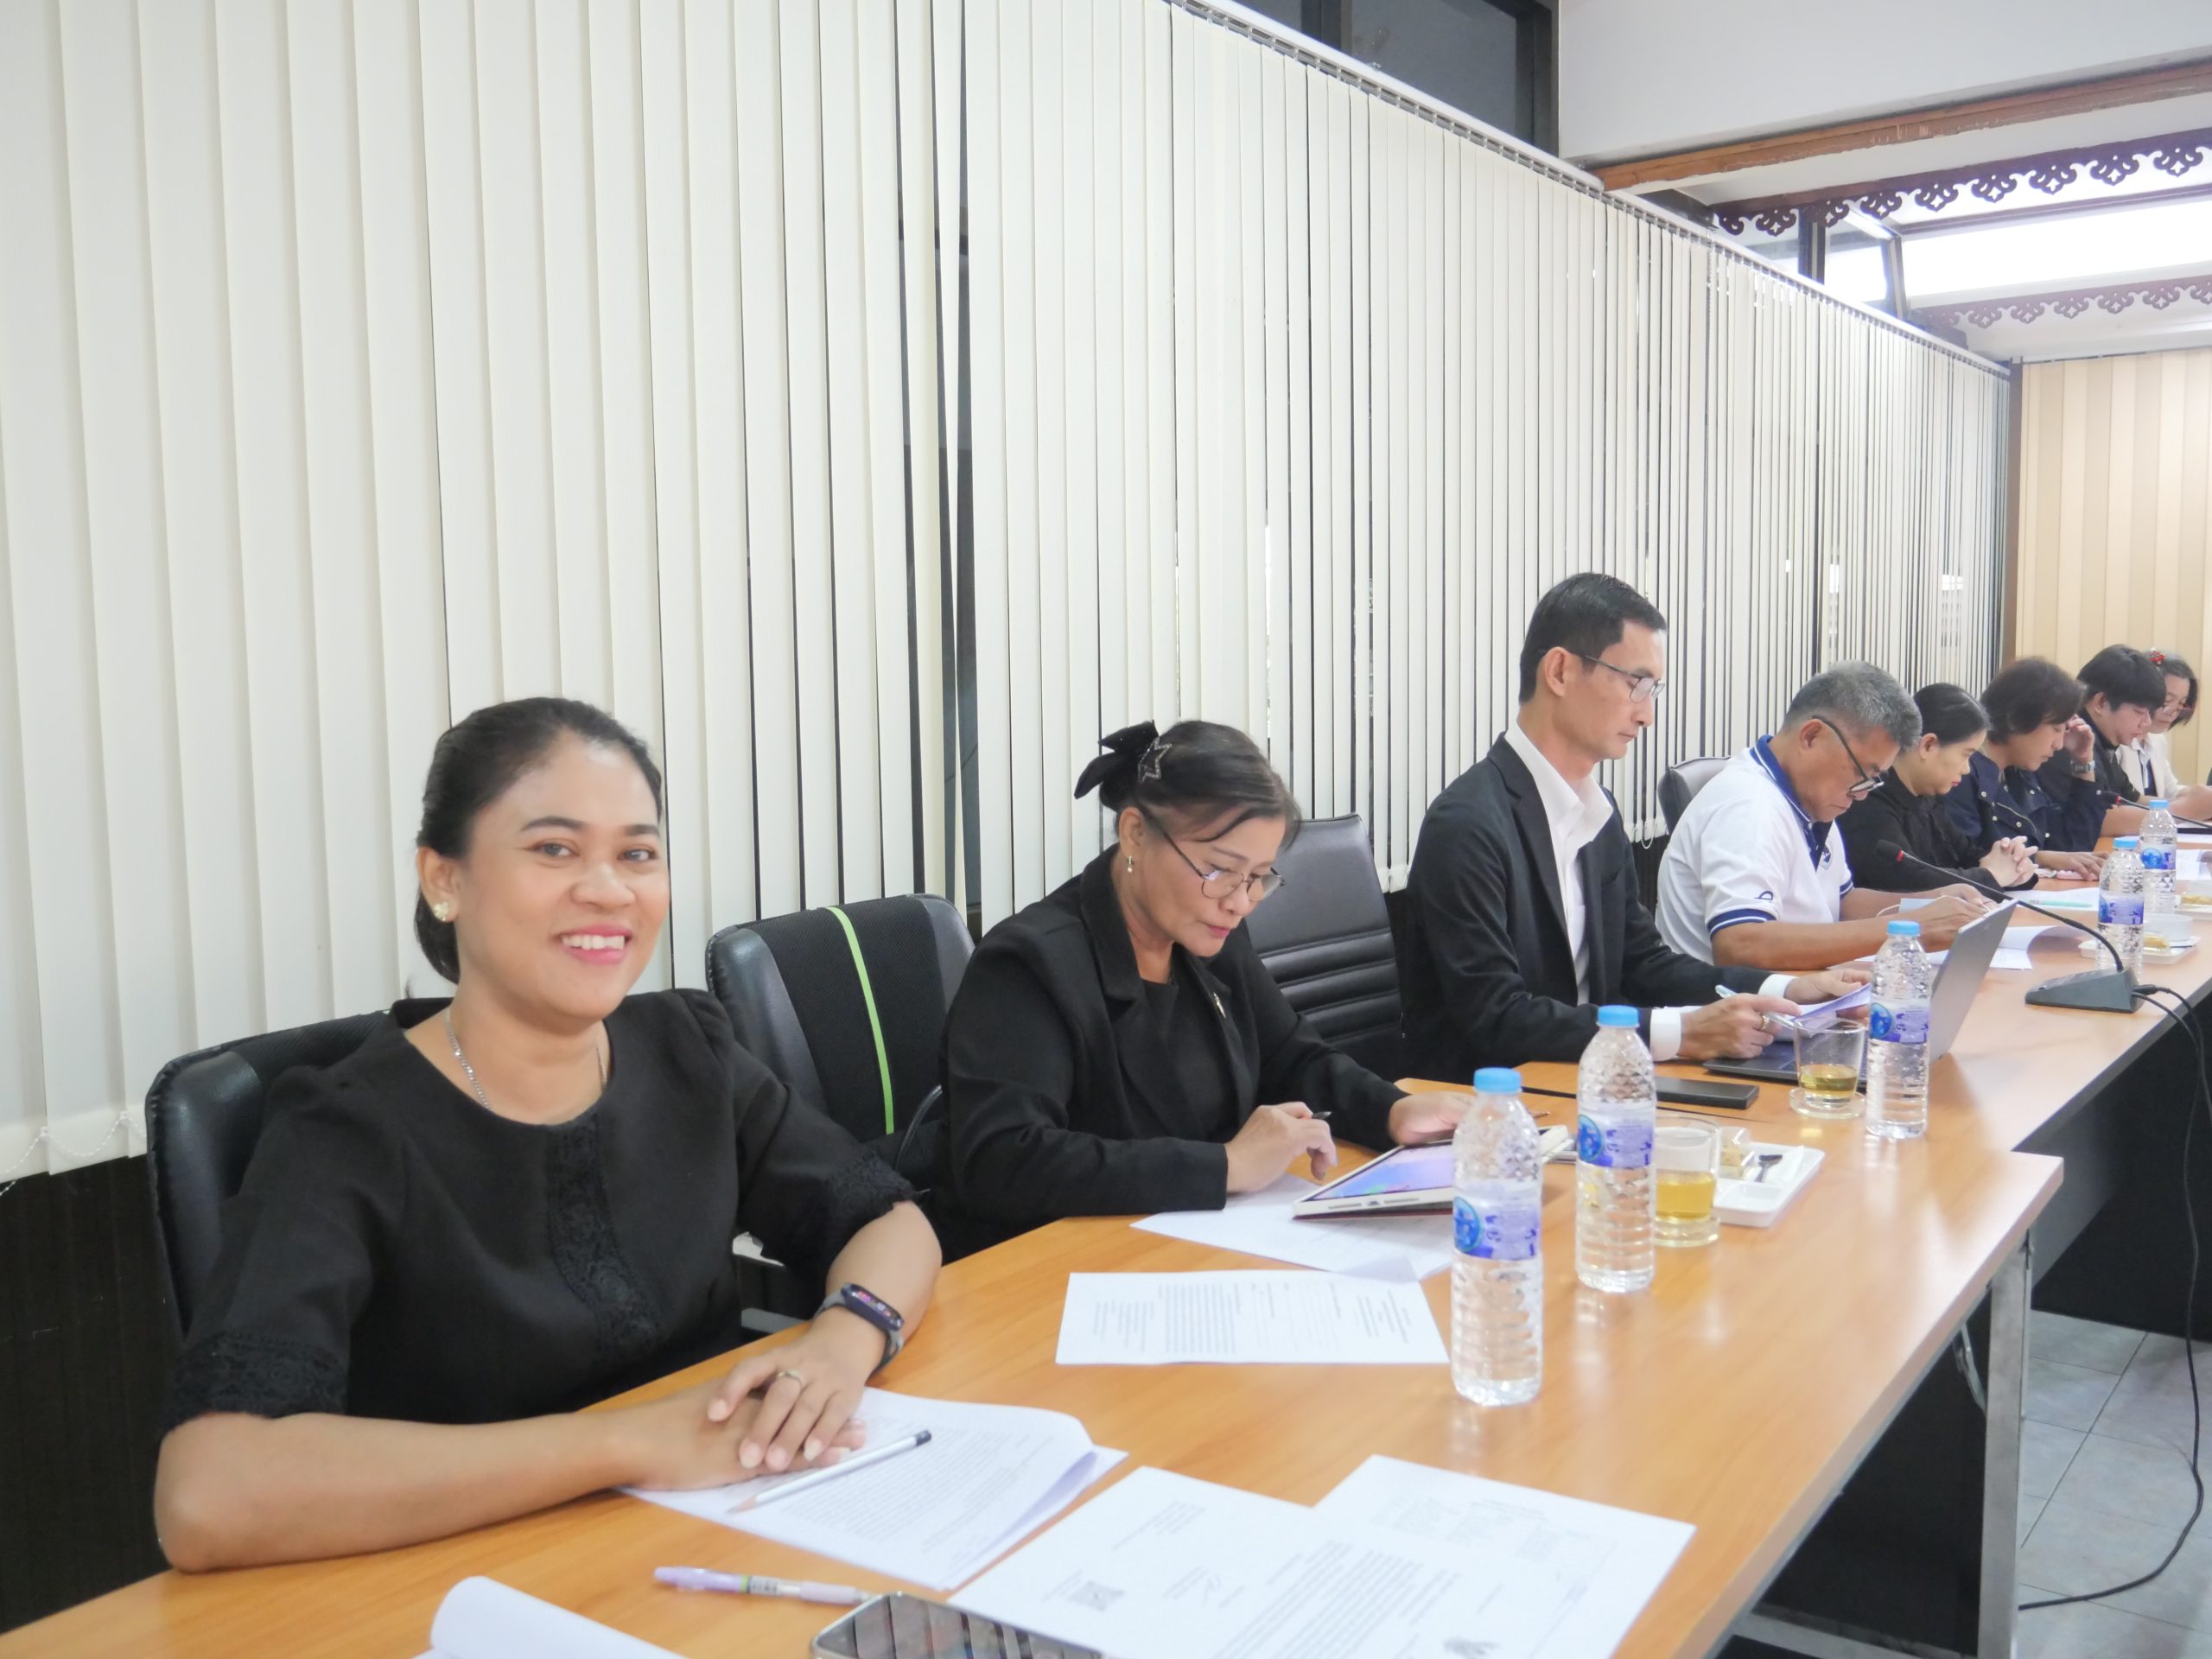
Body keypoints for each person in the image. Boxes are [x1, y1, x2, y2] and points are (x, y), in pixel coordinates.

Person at [154, 699, 939, 1570]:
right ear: (444, 879)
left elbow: (887, 1219)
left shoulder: (689, 1045)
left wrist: (843, 1340)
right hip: (474, 1575)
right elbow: (209, 1491)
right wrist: (628, 1444)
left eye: (637, 854)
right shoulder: (343, 1129)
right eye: (555, 849)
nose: (608, 889)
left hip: (730, 1526)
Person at [933, 720, 1471, 1260]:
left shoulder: (1206, 934)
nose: (1239, 902)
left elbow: (1291, 1055)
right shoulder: (1030, 964)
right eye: (1219, 871)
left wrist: (1391, 1111)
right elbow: (1003, 1160)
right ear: (1135, 833)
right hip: (1060, 1268)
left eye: (1258, 877)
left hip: (1196, 1245)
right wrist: (1226, 1166)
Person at [1397, 573, 1864, 1076]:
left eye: (1653, 689)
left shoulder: (1598, 811)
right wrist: (1682, 1033)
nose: (1647, 715)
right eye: (1636, 684)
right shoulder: (1467, 824)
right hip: (1492, 1096)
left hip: (1592, 1079)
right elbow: (1498, 1018)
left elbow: (1642, 963)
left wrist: (1787, 989)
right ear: (1559, 671)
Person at [1656, 664, 1987, 972]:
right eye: (1862, 774)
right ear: (1811, 736)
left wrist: (1933, 902)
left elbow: (1842, 904)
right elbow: (1740, 945)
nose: (1863, 795)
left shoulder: (1811, 798)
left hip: (1797, 990)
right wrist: (1911, 928)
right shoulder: (1749, 805)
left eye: (1874, 780)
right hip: (1734, 1008)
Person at [1838, 683, 2037, 896]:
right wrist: (1992, 875)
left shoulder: (1926, 796)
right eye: (1965, 755)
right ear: (1928, 745)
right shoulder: (1869, 800)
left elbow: (1965, 854)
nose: (1967, 769)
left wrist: (2013, 864)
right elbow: (1909, 881)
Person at [1943, 657, 2106, 873]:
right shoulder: (1961, 775)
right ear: (2017, 719)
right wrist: (2040, 858)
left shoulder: (2019, 772)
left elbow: (2072, 845)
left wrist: (2083, 763)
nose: (2059, 745)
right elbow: (1967, 859)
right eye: (2056, 729)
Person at [2037, 645, 2212, 836]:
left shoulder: (2104, 741)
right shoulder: (2071, 738)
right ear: (2101, 703)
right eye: (2140, 712)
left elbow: (2133, 800)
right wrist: (2186, 809)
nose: (2147, 722)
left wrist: (2194, 802)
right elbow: (2101, 820)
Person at [2127, 650, 2196, 799]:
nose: (2172, 712)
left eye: (2181, 703)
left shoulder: (2157, 740)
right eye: (2166, 701)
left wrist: (2201, 794)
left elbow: (2170, 790)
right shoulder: (2120, 739)